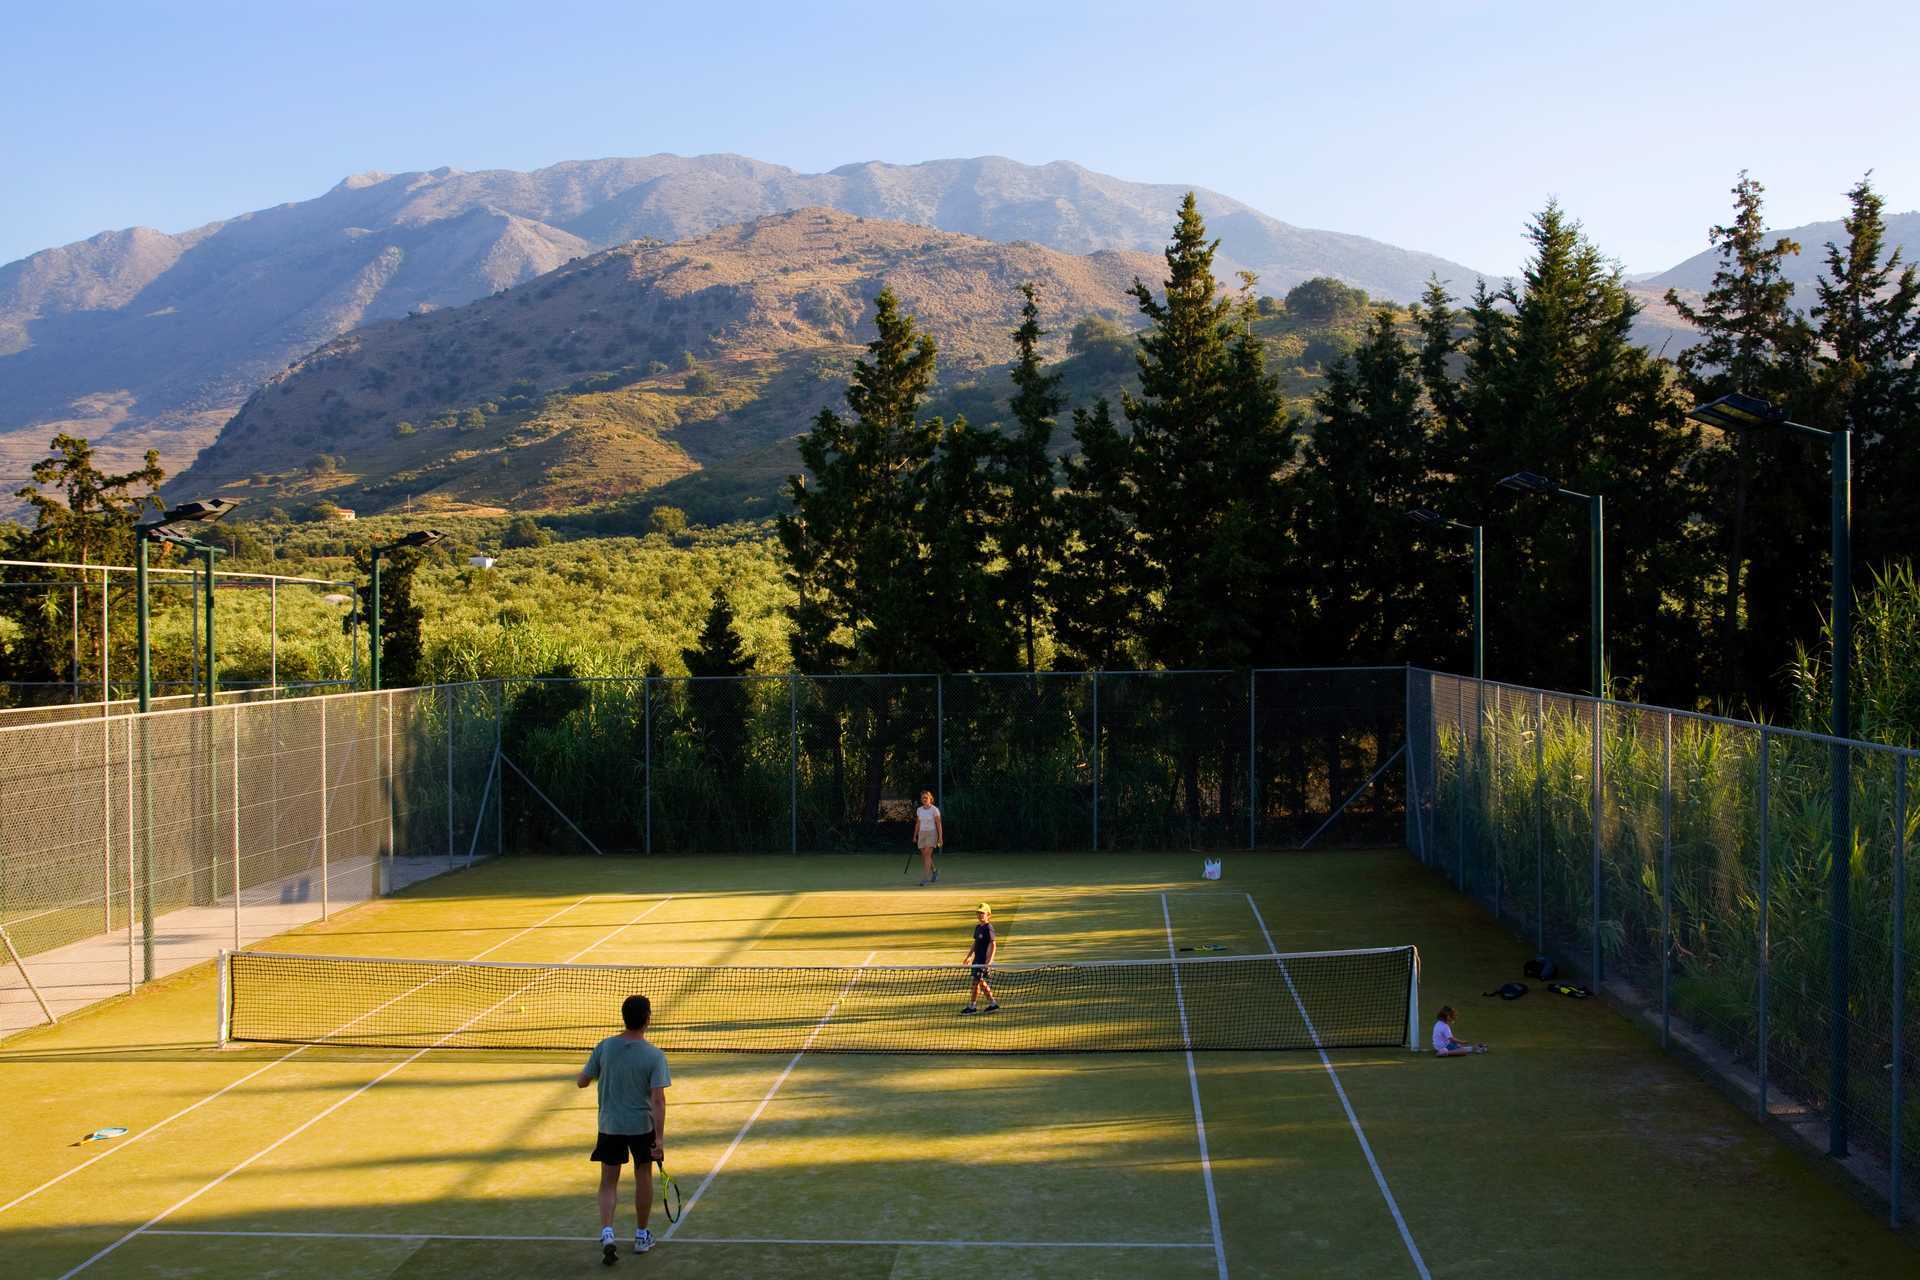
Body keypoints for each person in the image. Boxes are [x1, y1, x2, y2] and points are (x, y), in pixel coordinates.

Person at [578, 994, 672, 1263]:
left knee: (608, 1180)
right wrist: (660, 1138)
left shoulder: (605, 1047)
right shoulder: (654, 1055)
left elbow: (582, 1081)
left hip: (610, 1125)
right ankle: (641, 1236)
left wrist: (593, 1076)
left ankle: (607, 1232)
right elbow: (658, 1099)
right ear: (647, 1019)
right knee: (643, 1176)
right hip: (641, 1127)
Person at [960, 901, 998, 1014]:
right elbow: (975, 943)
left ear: (988, 915)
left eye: (982, 913)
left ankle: (972, 1007)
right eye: (979, 913)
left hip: (983, 961)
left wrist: (989, 962)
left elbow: (993, 944)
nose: (980, 915)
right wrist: (969, 956)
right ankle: (993, 1003)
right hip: (977, 960)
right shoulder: (978, 927)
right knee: (980, 982)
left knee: (976, 982)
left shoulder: (988, 928)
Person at [912, 789, 943, 885]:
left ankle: (925, 879)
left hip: (932, 833)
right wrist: (914, 835)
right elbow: (918, 823)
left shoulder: (935, 810)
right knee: (925, 856)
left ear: (930, 798)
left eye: (926, 797)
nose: (924, 799)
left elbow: (939, 824)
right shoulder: (919, 810)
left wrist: (940, 837)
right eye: (922, 798)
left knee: (927, 855)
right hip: (922, 833)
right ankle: (935, 871)